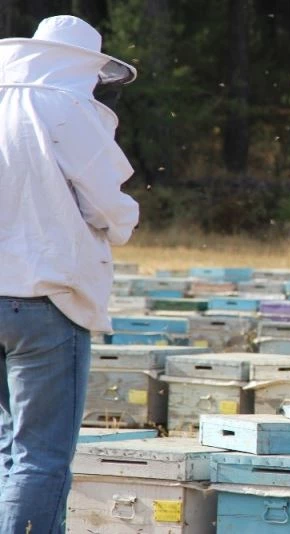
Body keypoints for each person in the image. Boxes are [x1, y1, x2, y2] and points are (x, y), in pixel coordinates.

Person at [0, 15, 138, 532]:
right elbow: (108, 204)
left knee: (11, 449)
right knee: (42, 457)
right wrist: (124, 223)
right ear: (81, 65)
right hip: (44, 301)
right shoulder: (68, 108)